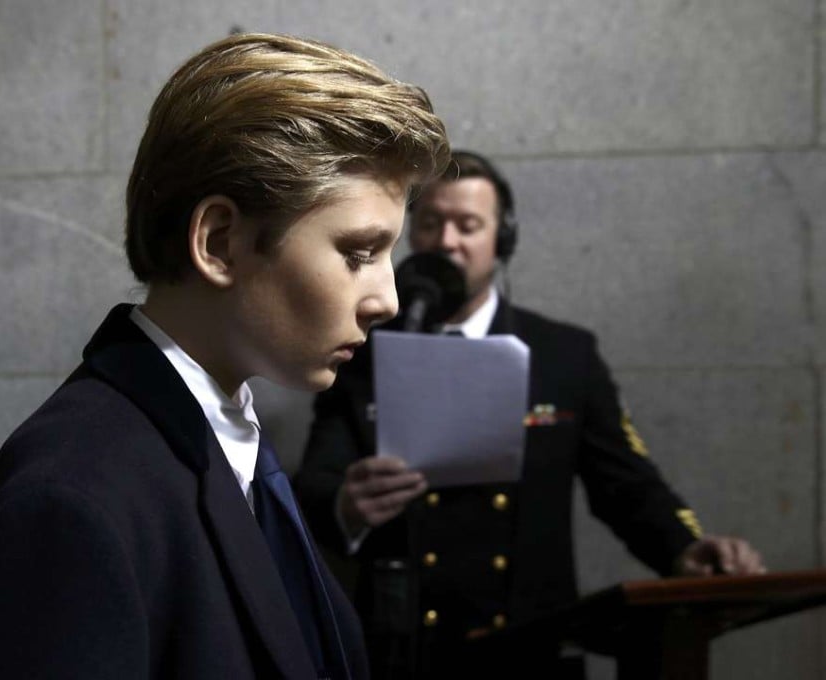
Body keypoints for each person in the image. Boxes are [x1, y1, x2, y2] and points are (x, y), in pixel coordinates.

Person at [0, 33, 449, 679]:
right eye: (358, 253)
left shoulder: (222, 439)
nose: (386, 300)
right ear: (220, 241)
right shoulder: (72, 498)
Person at [293, 150, 764, 679]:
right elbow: (314, 484)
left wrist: (686, 548)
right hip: (405, 651)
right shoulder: (361, 353)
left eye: (467, 225)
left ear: (502, 239)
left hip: (532, 648)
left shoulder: (564, 355)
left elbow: (627, 484)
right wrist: (348, 505)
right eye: (430, 224)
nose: (448, 241)